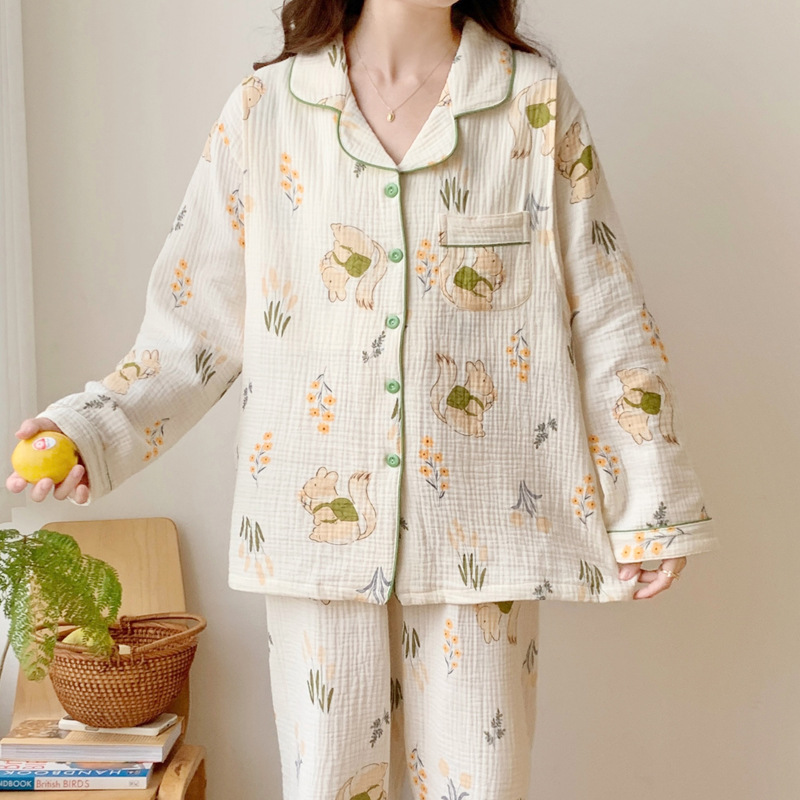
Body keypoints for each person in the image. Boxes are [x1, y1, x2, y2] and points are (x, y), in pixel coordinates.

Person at [6, 0, 718, 797]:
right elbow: (192, 326)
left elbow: (606, 306)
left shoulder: (532, 100)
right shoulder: (266, 109)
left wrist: (650, 499)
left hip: (482, 531)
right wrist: (92, 429)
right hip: (313, 535)